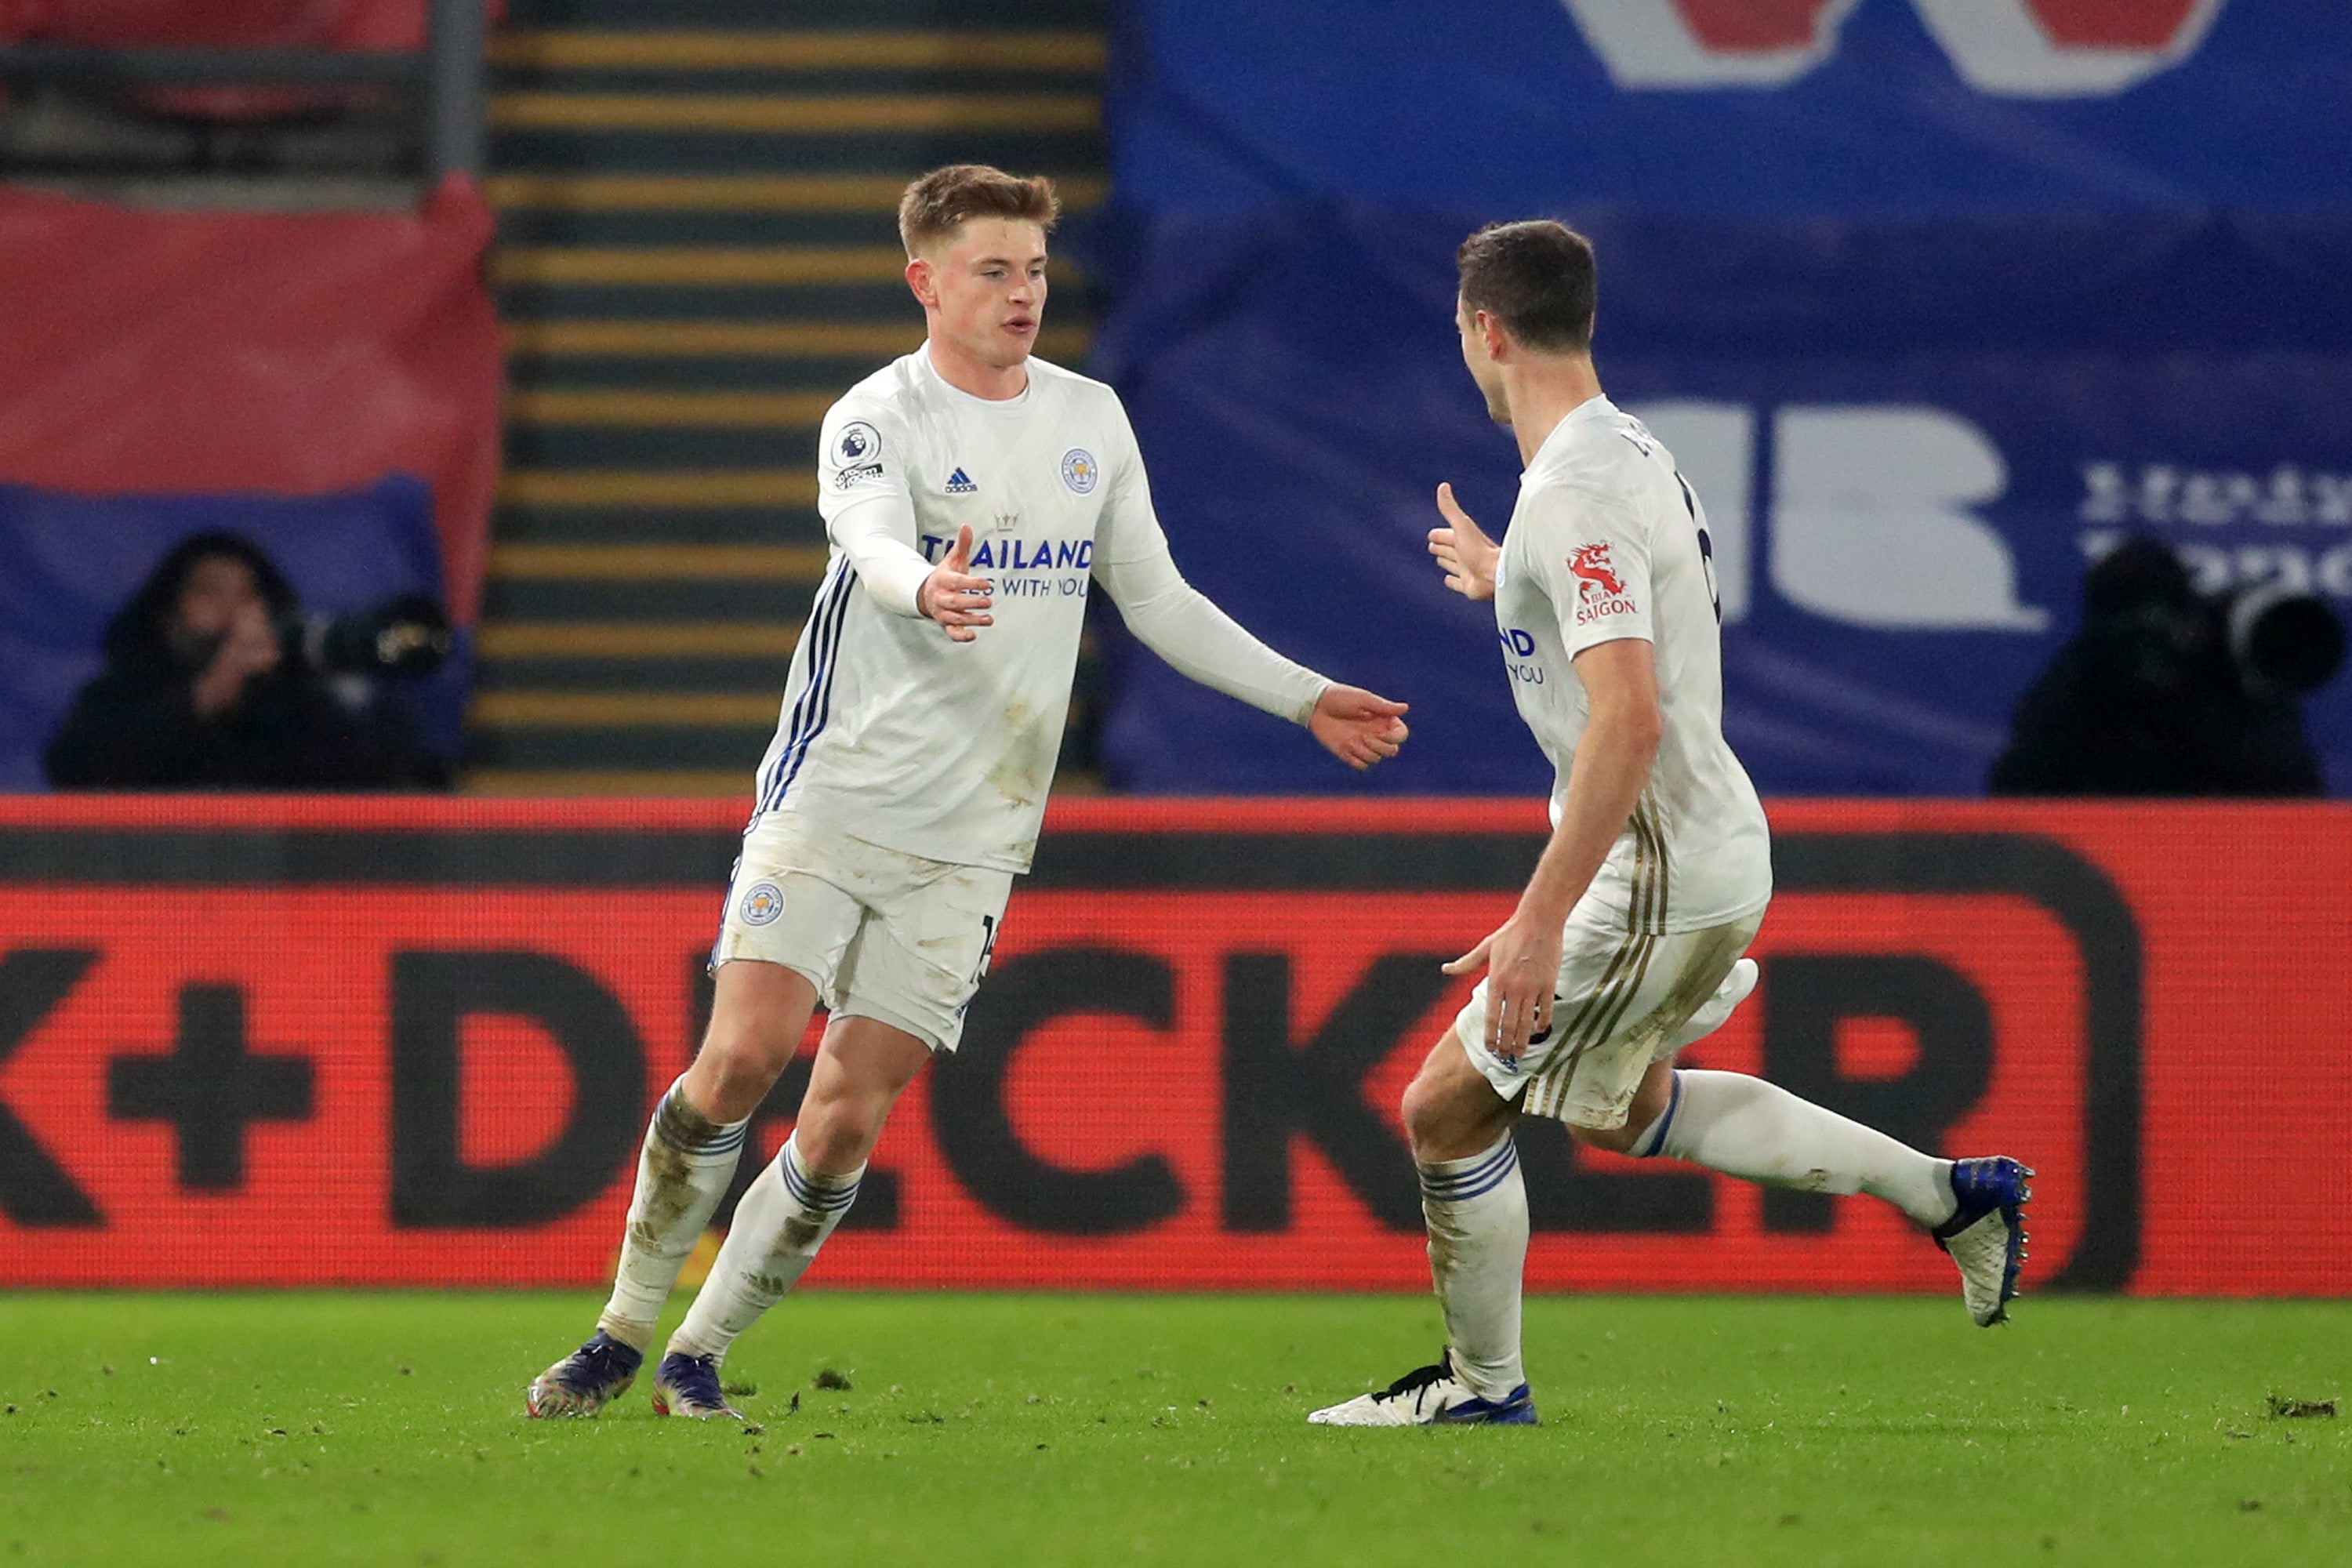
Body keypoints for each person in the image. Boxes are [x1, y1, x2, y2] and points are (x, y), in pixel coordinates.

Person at [526, 165, 1411, 1421]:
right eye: (993, 270)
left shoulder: (1091, 418)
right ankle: (618, 1330)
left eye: (1036, 269)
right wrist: (921, 588)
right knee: (742, 1060)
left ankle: (695, 1357)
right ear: (925, 283)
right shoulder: (875, 417)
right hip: (834, 797)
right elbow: (867, 535)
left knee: (843, 1121)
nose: (1022, 294)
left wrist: (1303, 696)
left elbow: (1153, 597)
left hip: (977, 832)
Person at [1305, 222, 2030, 1428]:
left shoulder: (1580, 487)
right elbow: (1624, 601)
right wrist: (1511, 577)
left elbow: (1629, 721)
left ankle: (1484, 1392)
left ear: (1488, 331)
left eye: (1462, 335)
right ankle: (1956, 1196)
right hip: (1706, 849)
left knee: (1443, 1108)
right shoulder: (1620, 452)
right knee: (1622, 1103)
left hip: (1657, 866)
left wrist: (1536, 924)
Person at [43, 531, 446, 791]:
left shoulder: (295, 696)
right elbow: (80, 770)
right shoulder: (126, 689)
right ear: (168, 616)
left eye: (248, 596)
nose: (233, 611)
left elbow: (369, 781)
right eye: (211, 594)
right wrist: (207, 697)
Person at [1989, 537, 2335, 797]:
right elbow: (2017, 794)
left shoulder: (2225, 673)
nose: (2152, 640)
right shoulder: (2082, 680)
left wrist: (2200, 712)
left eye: (2167, 618)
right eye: (2134, 624)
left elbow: (2294, 794)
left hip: (2236, 846)